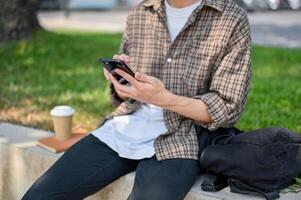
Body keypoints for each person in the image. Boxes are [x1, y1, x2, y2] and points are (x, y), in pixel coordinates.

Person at [22, 0, 251, 199]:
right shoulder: (140, 13)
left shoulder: (230, 19)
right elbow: (125, 94)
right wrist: (121, 83)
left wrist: (164, 99)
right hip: (125, 125)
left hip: (182, 136)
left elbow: (226, 107)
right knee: (41, 194)